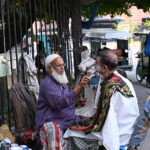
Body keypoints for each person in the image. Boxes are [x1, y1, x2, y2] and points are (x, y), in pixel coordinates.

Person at [64, 49, 139, 150]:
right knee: (79, 123)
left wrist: (110, 146)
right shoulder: (123, 79)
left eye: (96, 63)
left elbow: (110, 122)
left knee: (71, 132)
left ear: (104, 68)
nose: (94, 65)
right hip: (128, 128)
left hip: (120, 135)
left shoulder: (109, 87)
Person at [35, 54, 90, 150]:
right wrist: (79, 87)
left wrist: (75, 102)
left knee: (93, 122)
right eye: (58, 66)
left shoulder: (62, 82)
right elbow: (58, 103)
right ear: (49, 68)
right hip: (55, 121)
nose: (62, 68)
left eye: (63, 64)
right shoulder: (48, 84)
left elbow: (65, 100)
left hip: (69, 119)